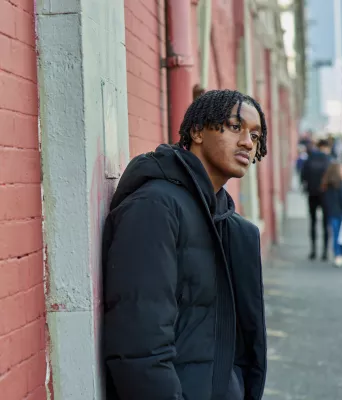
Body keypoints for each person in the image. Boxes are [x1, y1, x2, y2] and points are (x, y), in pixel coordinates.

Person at [102, 89, 268, 400]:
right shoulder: (155, 207)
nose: (248, 142)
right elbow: (140, 345)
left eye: (255, 135)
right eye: (236, 127)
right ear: (197, 131)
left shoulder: (229, 225)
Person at [301, 138, 332, 260]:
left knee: (313, 222)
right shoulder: (328, 160)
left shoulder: (309, 159)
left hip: (312, 194)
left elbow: (303, 175)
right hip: (325, 194)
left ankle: (313, 250)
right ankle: (325, 252)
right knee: (325, 224)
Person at [321, 163, 342, 267]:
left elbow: (325, 200)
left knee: (335, 235)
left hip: (332, 213)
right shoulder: (341, 183)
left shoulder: (326, 183)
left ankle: (337, 255)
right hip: (341, 212)